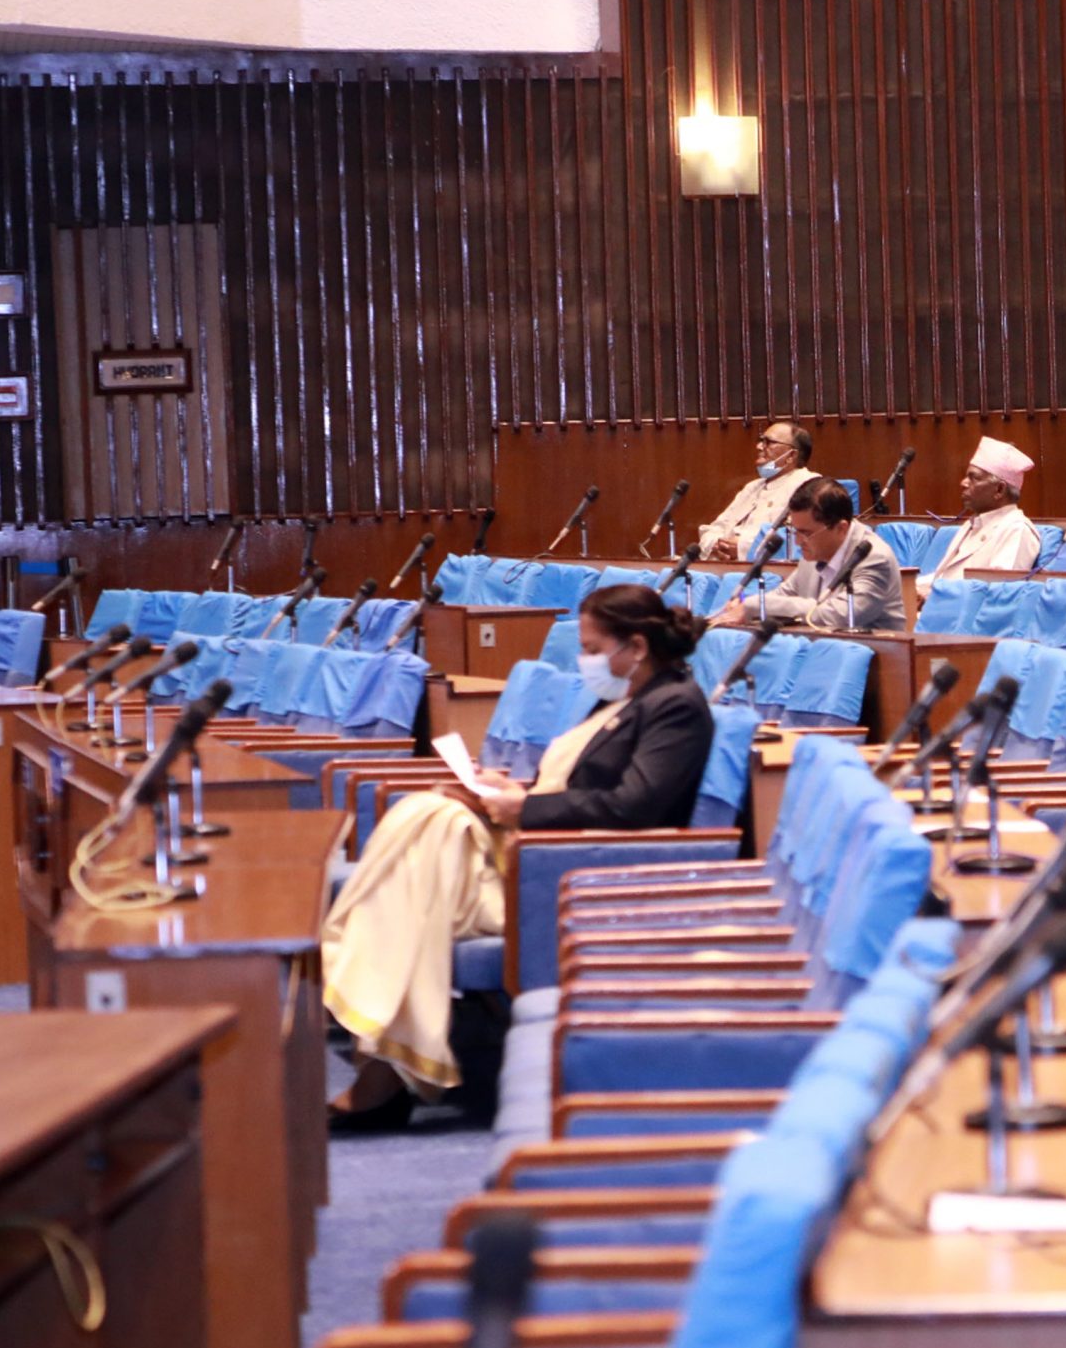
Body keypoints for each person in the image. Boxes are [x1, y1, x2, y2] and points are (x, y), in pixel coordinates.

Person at [321, 586, 717, 1130]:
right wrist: (506, 790)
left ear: (637, 647)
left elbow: (633, 806)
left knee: (428, 845)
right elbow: (583, 786)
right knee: (426, 818)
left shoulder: (677, 707)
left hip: (583, 878)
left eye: (592, 648)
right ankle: (387, 1057)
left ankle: (382, 1057)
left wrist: (523, 809)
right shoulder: (624, 698)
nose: (584, 660)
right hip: (544, 855)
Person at [714, 476, 902, 630]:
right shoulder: (814, 552)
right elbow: (784, 595)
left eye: (806, 533)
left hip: (876, 659)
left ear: (841, 528)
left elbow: (841, 615)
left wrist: (756, 605)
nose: (797, 541)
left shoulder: (874, 557)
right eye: (795, 531)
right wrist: (746, 607)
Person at [916, 436, 1043, 600]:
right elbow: (942, 578)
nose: (963, 483)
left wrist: (935, 594)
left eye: (973, 478)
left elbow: (998, 594)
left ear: (999, 489)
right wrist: (910, 586)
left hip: (960, 614)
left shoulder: (1016, 529)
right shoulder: (972, 524)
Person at [700, 421, 815, 560]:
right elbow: (713, 530)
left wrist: (742, 547)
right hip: (724, 563)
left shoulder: (809, 486)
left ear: (791, 455)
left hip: (768, 568)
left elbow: (795, 540)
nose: (759, 447)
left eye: (769, 442)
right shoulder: (753, 487)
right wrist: (716, 546)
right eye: (761, 441)